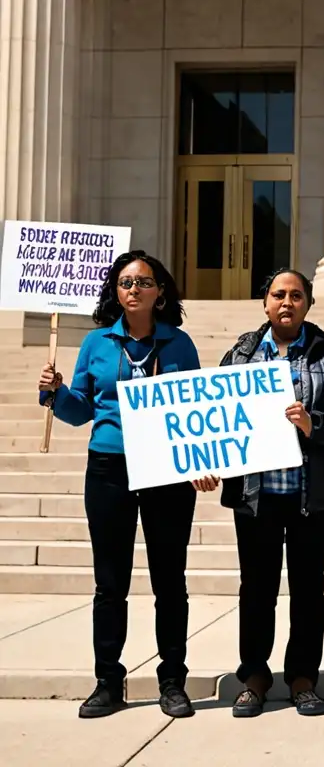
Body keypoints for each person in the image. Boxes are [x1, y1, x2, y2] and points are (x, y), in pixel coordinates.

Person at [192, 269, 324, 718]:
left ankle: (303, 678)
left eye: (295, 295)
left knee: (309, 589)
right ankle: (254, 677)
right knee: (257, 589)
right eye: (277, 295)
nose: (286, 302)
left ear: (308, 303)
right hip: (257, 495)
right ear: (264, 303)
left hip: (313, 492)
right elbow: (216, 419)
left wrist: (315, 423)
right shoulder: (242, 355)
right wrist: (206, 462)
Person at [37, 250, 201, 719]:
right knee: (110, 583)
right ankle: (108, 681)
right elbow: (80, 410)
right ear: (115, 291)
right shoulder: (96, 343)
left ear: (160, 292)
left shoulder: (179, 344)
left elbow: (192, 413)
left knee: (170, 580)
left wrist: (200, 459)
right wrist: (55, 393)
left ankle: (173, 680)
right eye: (125, 282)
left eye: (144, 282)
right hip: (109, 467)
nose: (134, 289)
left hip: (167, 471)